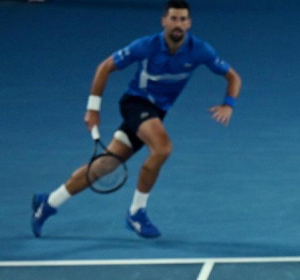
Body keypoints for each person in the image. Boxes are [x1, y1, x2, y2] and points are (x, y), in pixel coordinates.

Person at [30, 0, 241, 239]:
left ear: (189, 23)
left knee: (104, 166)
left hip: (156, 112)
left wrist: (228, 105)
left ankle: (47, 203)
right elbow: (104, 67)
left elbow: (233, 77)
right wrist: (93, 109)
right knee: (162, 148)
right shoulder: (146, 46)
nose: (178, 24)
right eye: (173, 18)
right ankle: (137, 212)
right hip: (136, 104)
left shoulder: (200, 50)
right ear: (164, 21)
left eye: (183, 19)